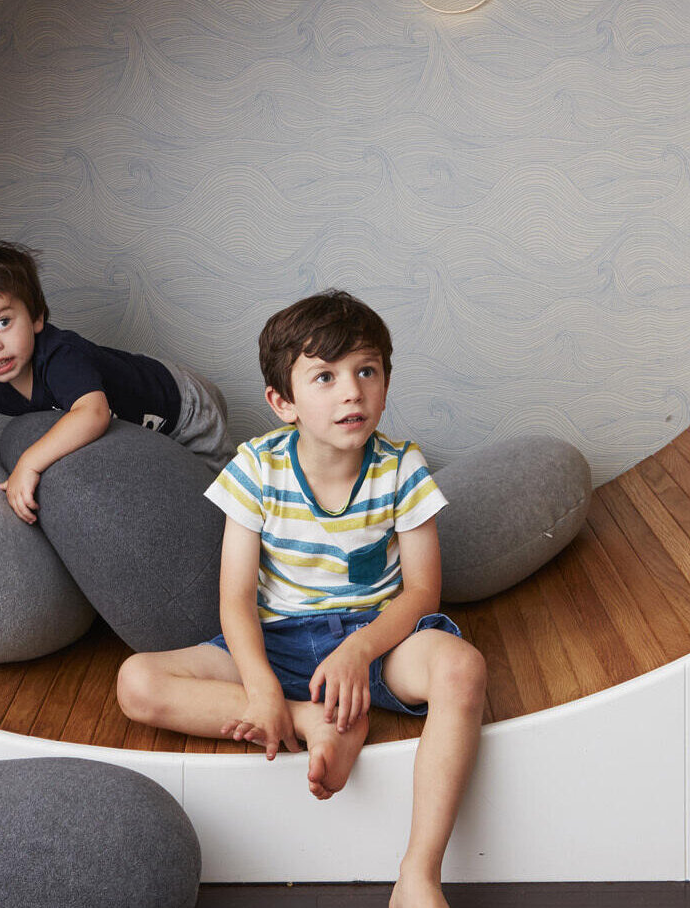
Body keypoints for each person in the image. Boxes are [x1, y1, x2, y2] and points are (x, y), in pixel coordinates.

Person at [115, 290, 486, 908]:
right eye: (325, 377)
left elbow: (423, 590)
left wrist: (358, 652)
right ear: (282, 402)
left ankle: (418, 874)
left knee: (462, 667)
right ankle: (315, 719)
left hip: (374, 640)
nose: (352, 393)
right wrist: (262, 688)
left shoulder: (401, 467)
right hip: (279, 640)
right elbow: (236, 598)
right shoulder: (257, 467)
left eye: (367, 371)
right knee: (137, 682)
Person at [0, 227, 232, 522]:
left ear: (36, 317)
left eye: (2, 322)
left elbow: (93, 413)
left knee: (228, 502)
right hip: (141, 428)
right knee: (178, 500)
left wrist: (29, 463)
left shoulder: (59, 354)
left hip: (180, 405)